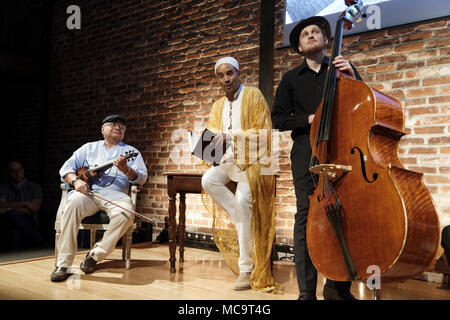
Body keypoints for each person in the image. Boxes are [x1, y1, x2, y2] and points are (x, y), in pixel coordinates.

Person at [271, 16, 362, 300]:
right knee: (306, 217)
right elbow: (278, 119)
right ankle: (306, 291)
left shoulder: (341, 70)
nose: (311, 35)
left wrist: (354, 77)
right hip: (306, 152)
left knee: (341, 215)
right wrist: (310, 118)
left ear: (326, 41)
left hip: (341, 148)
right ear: (299, 48)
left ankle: (337, 287)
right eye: (304, 34)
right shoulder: (290, 79)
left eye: (316, 32)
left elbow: (361, 104)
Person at [201, 57, 280, 293]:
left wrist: (231, 136)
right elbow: (215, 136)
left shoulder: (253, 95)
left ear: (238, 73)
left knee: (243, 200)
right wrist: (205, 148)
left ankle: (246, 269)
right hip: (229, 161)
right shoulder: (217, 106)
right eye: (221, 75)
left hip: (256, 162)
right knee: (208, 179)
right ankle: (240, 219)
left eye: (230, 74)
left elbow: (265, 132)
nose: (226, 79)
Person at [51, 114, 148, 282]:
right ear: (103, 129)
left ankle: (95, 256)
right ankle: (63, 264)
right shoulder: (89, 148)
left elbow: (141, 179)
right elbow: (65, 169)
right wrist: (75, 181)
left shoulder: (131, 152)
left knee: (126, 213)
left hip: (116, 196)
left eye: (122, 126)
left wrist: (126, 170)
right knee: (72, 203)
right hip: (88, 193)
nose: (118, 127)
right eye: (113, 124)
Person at [0, 161, 44, 251]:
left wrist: (8, 209)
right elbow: (1, 205)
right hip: (8, 223)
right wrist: (25, 203)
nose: (16, 173)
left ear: (23, 170)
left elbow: (35, 208)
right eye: (13, 171)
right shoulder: (4, 188)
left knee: (12, 215)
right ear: (9, 173)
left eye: (19, 170)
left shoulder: (34, 186)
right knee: (14, 229)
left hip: (29, 222)